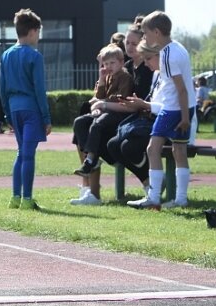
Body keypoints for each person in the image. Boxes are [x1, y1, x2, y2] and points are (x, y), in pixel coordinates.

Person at [70, 23, 154, 205]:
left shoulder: (146, 70)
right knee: (80, 122)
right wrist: (98, 103)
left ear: (143, 43)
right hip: (119, 116)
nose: (129, 47)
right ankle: (92, 179)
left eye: (134, 43)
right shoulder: (125, 65)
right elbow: (101, 94)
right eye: (127, 43)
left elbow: (133, 106)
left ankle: (95, 166)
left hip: (135, 120)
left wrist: (104, 104)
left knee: (102, 131)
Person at [128, 11, 197, 209]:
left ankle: (154, 197)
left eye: (147, 34)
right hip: (181, 108)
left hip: (174, 109)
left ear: (157, 32)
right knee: (178, 151)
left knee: (153, 149)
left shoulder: (167, 55)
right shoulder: (178, 48)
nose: (145, 38)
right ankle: (180, 199)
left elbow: (181, 89)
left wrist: (184, 117)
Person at [0, 9, 52, 210]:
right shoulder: (35, 56)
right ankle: (27, 199)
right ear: (31, 32)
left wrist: (6, 113)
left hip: (14, 109)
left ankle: (15, 197)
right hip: (30, 110)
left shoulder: (6, 55)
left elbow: (2, 88)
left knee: (21, 153)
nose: (38, 37)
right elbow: (39, 89)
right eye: (38, 32)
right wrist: (46, 117)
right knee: (29, 154)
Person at [101, 40, 162, 202]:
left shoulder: (169, 74)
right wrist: (140, 104)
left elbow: (170, 106)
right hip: (149, 119)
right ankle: (147, 181)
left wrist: (143, 104)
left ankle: (155, 185)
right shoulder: (156, 74)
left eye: (148, 59)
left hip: (164, 123)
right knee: (112, 145)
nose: (146, 62)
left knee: (128, 147)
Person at [72, 43, 134, 177]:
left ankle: (90, 159)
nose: (108, 67)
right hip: (105, 111)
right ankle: (90, 156)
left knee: (97, 124)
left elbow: (121, 98)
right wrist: (101, 79)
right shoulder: (107, 76)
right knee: (80, 122)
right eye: (105, 64)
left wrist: (102, 103)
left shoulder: (125, 77)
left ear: (121, 62)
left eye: (112, 63)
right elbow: (99, 96)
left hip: (118, 113)